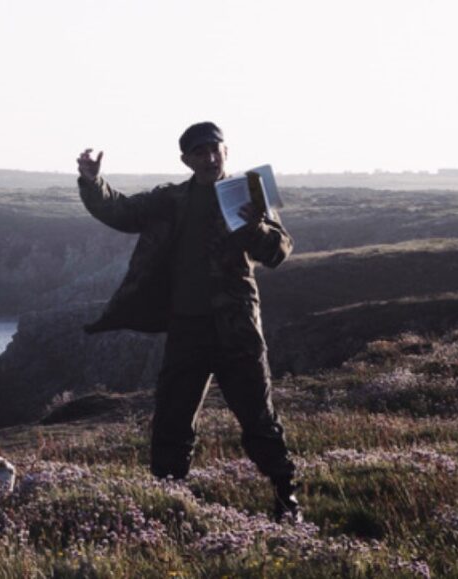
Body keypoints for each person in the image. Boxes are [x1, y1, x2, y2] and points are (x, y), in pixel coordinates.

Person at [76, 121, 301, 522]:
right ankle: (169, 503)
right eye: (200, 152)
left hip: (237, 328)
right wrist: (93, 182)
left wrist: (254, 226)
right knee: (172, 420)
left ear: (226, 151)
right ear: (186, 159)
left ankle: (288, 500)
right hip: (187, 329)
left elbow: (278, 250)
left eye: (216, 149)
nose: (210, 158)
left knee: (258, 417)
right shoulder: (171, 200)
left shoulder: (248, 195)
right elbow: (123, 212)